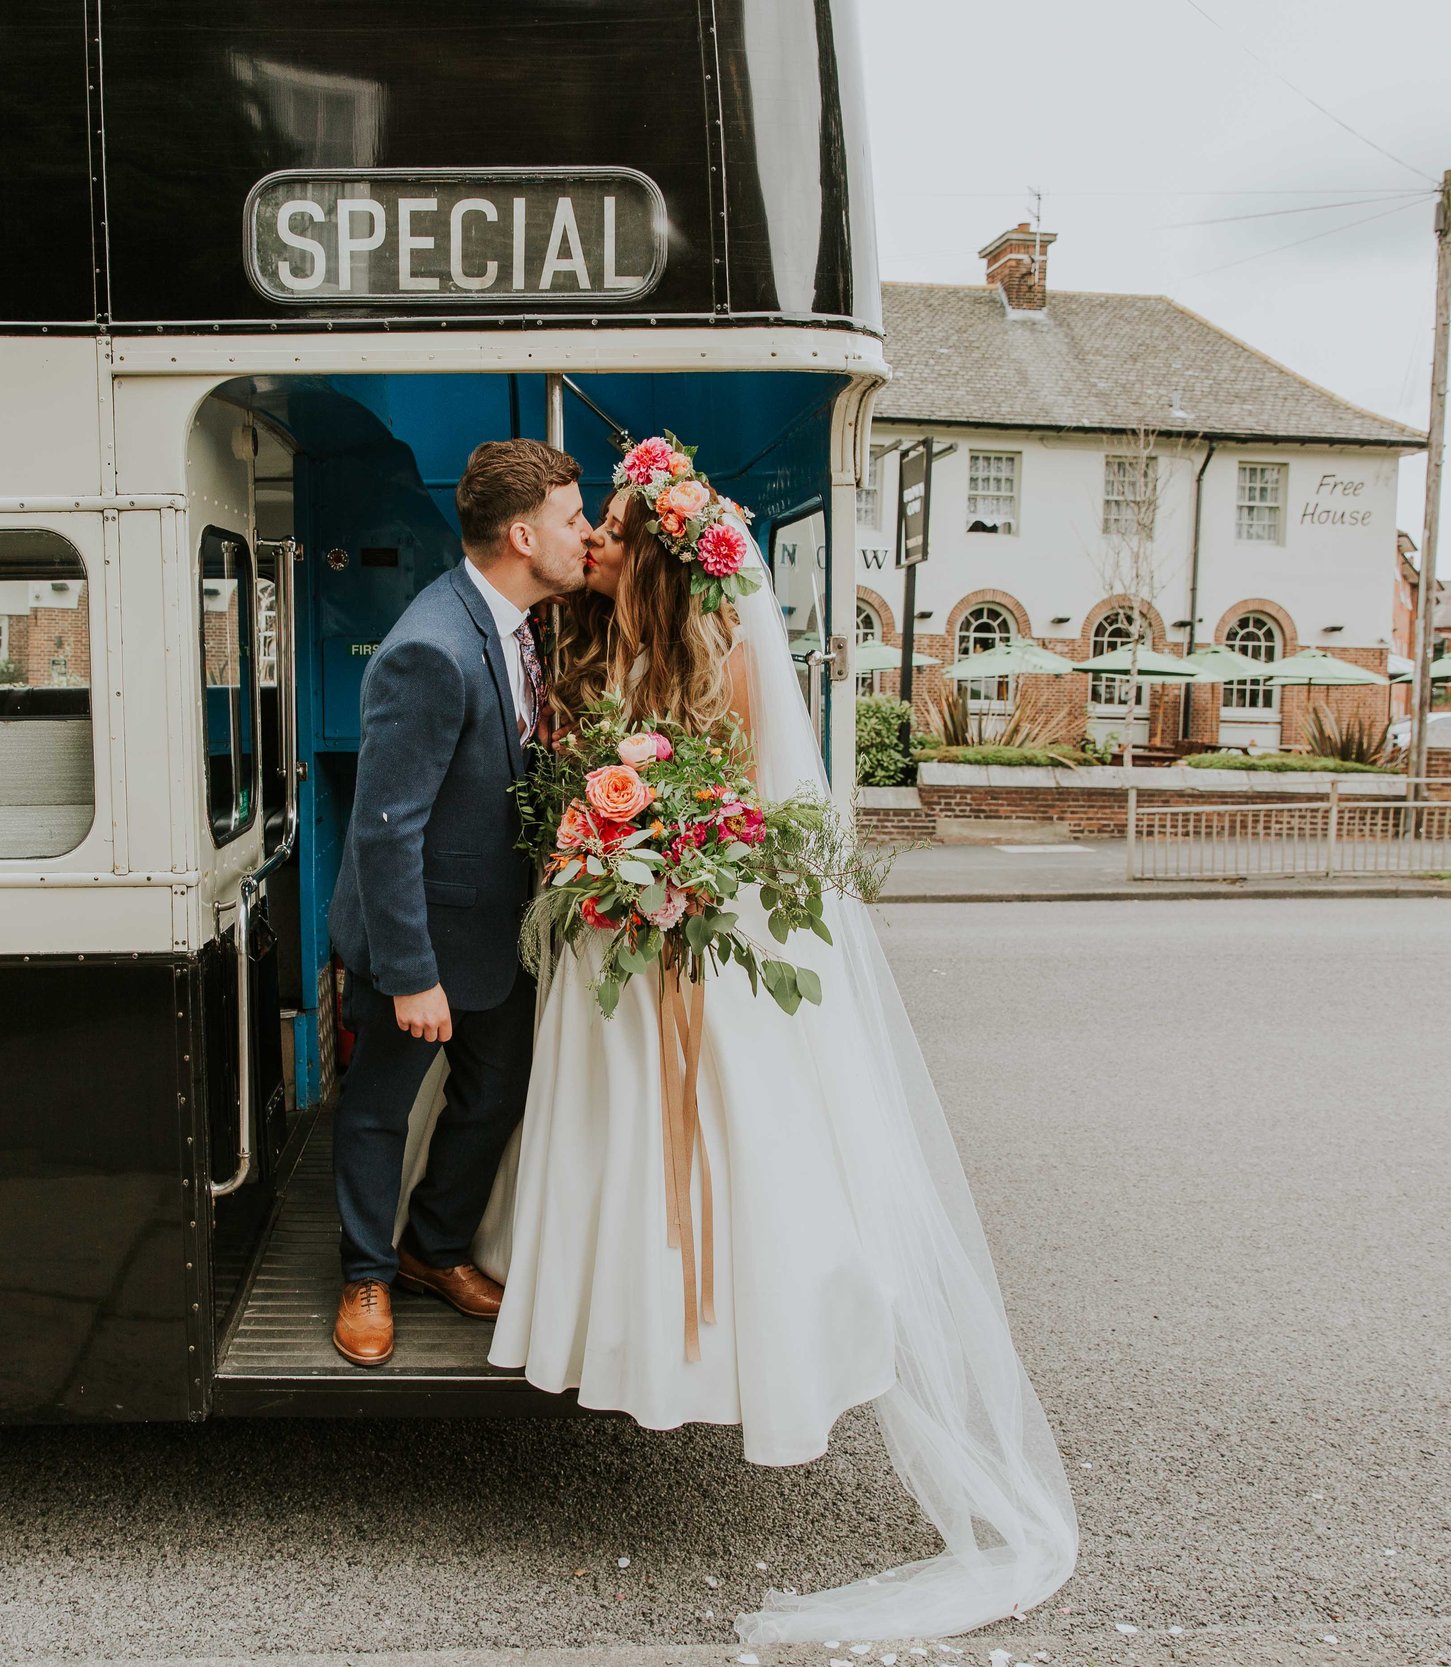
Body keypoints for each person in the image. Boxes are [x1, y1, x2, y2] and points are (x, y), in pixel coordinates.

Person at [487, 439, 1080, 1643]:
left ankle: (713, 1327)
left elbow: (742, 807)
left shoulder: (709, 663)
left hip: (689, 918)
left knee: (728, 1131)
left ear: (649, 560)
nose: (593, 535)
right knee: (616, 1125)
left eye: (609, 523)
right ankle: (619, 1310)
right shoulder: (612, 640)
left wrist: (665, 865)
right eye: (584, 520)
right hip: (625, 911)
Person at [324, 438, 590, 1367]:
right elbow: (385, 830)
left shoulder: (516, 624)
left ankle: (433, 1248)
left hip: (491, 935)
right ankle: (365, 1274)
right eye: (572, 518)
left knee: (497, 1090)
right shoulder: (430, 650)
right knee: (378, 1108)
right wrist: (410, 977)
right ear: (523, 533)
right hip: (418, 938)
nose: (585, 533)